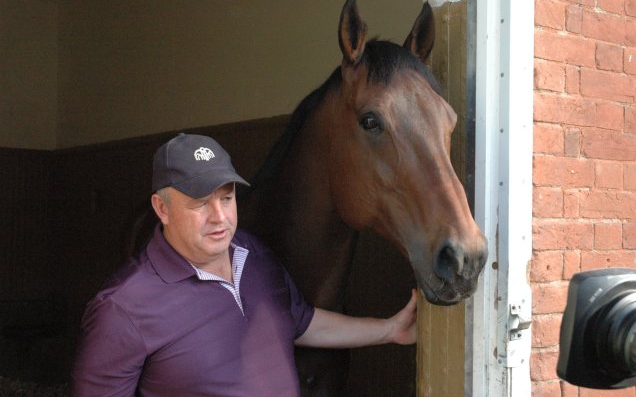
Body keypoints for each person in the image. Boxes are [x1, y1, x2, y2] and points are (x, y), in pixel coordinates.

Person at [70, 133, 417, 396]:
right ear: (162, 209)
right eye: (200, 203)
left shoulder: (253, 254)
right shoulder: (123, 308)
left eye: (227, 197)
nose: (220, 217)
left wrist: (389, 329)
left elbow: (302, 321)